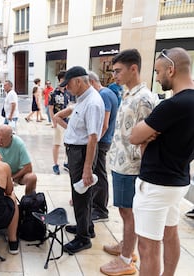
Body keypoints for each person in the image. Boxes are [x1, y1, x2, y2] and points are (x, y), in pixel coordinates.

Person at [129, 47, 194, 276]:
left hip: (157, 184)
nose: (156, 77)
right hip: (178, 180)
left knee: (148, 246)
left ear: (171, 69)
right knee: (170, 233)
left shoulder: (172, 105)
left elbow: (134, 136)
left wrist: (145, 132)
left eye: (158, 72)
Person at [100, 49, 158, 276]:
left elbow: (148, 136)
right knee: (125, 211)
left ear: (133, 68)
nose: (114, 75)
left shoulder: (143, 98)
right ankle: (127, 246)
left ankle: (126, 259)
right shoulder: (127, 94)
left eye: (118, 70)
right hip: (120, 162)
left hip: (131, 166)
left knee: (128, 212)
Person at [55, 66, 104, 254]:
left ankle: (83, 239)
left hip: (83, 153)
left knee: (80, 196)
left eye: (68, 85)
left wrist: (87, 169)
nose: (66, 88)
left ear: (78, 81)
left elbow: (93, 138)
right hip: (77, 152)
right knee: (82, 193)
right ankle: (87, 227)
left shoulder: (92, 102)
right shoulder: (82, 100)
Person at [88, 71, 118, 223]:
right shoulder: (108, 92)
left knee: (99, 173)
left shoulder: (104, 94)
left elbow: (104, 124)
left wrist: (94, 142)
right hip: (103, 139)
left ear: (92, 82)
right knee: (98, 172)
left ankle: (101, 210)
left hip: (102, 140)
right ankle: (95, 204)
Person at [0, 125, 37, 195]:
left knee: (32, 178)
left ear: (11, 137)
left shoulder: (19, 144)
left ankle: (28, 201)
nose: (0, 141)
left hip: (17, 175)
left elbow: (28, 168)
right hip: (0, 174)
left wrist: (12, 177)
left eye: (2, 139)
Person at [49, 71, 69, 175]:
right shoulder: (53, 93)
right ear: (59, 80)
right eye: (63, 80)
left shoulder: (67, 92)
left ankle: (66, 162)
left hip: (67, 122)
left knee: (68, 143)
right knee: (57, 143)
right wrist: (54, 121)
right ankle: (55, 164)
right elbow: (51, 109)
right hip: (58, 121)